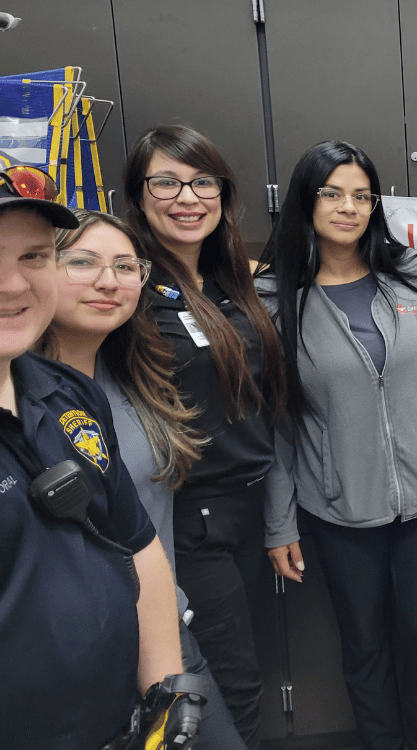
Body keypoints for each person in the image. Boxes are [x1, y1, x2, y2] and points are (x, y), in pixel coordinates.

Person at [259, 140, 417, 750]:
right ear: (305, 201)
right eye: (332, 193)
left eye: (362, 195)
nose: (348, 207)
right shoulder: (275, 297)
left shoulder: (409, 273)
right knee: (364, 647)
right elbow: (277, 424)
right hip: (339, 506)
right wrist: (279, 523)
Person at [40, 208, 247, 749]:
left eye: (126, 266)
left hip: (162, 631)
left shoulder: (137, 373)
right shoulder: (19, 393)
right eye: (82, 262)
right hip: (73, 655)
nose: (109, 281)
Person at [0, 168, 183, 747]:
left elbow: (137, 542)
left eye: (32, 256)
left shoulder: (68, 393)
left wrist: (165, 699)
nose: (12, 284)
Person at [122, 124, 286, 750]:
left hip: (246, 513)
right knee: (217, 691)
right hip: (187, 521)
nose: (187, 197)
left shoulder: (231, 284)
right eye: (166, 182)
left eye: (201, 182)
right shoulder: (131, 288)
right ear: (138, 196)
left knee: (239, 680)